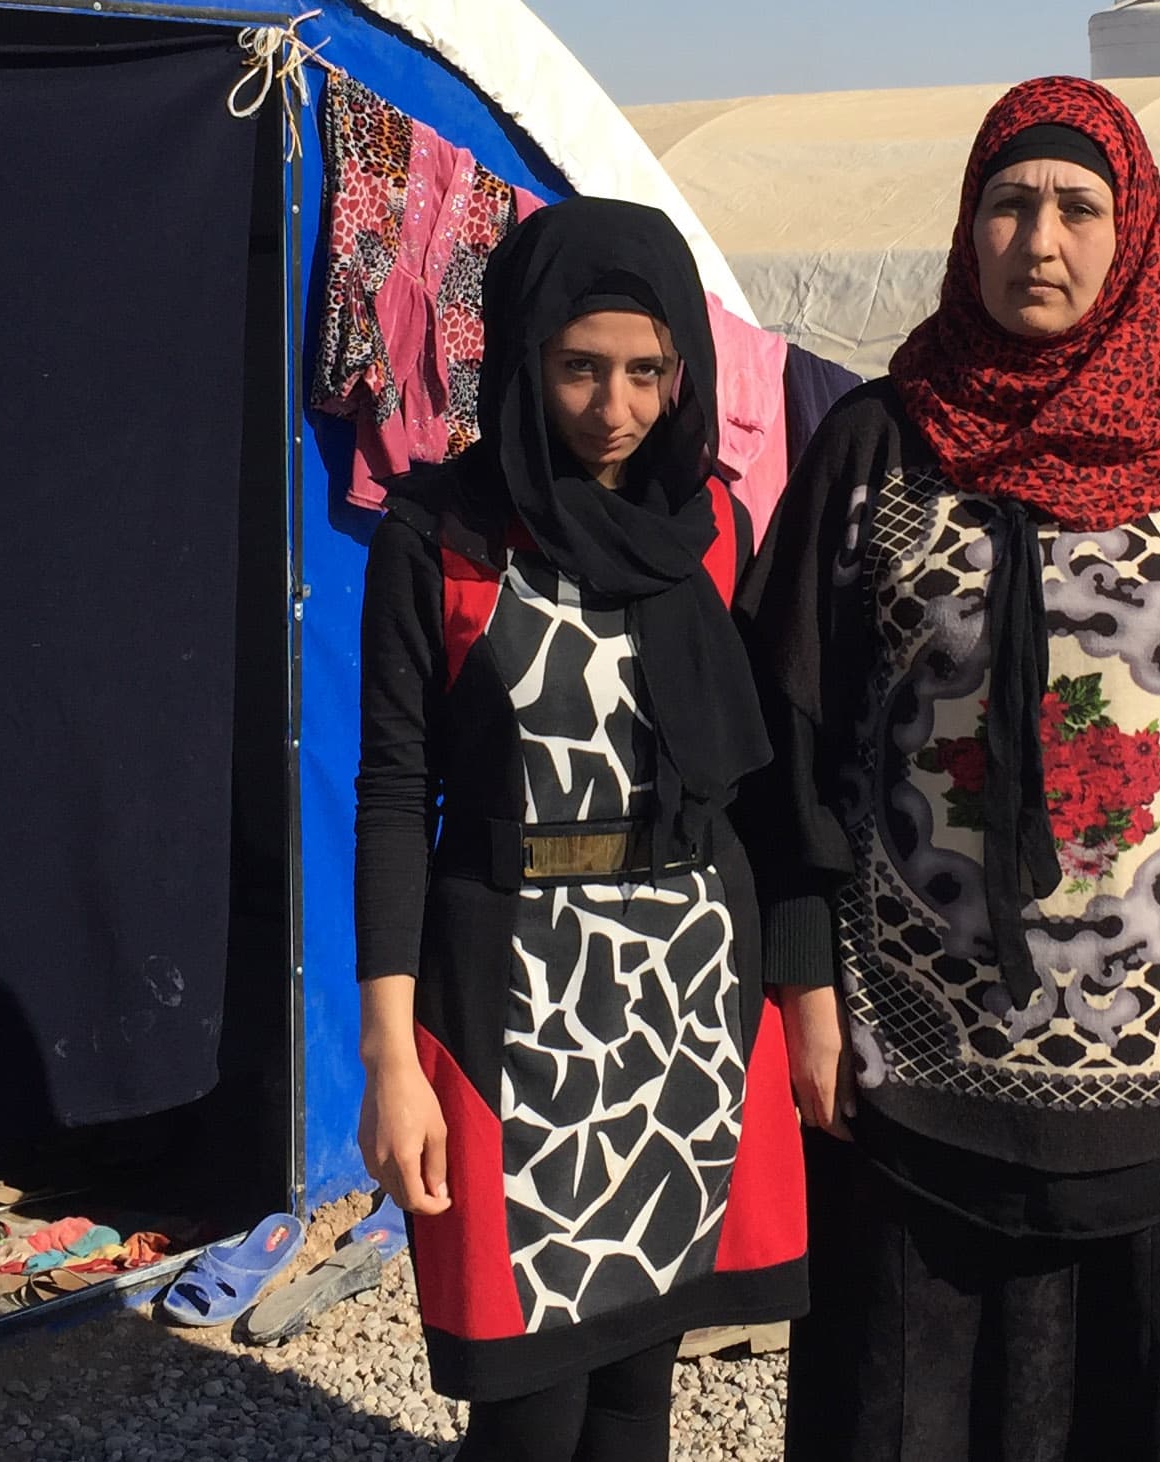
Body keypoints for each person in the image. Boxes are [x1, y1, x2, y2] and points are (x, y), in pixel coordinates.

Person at [741, 77, 1160, 1461]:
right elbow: (786, 751)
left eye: (1079, 207)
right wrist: (803, 991)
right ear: (966, 230)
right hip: (918, 1054)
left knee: (1150, 1395)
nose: (1042, 237)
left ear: (1131, 229)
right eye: (1009, 204)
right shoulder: (873, 447)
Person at [351, 199, 806, 1462]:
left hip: (691, 995)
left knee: (638, 1383)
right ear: (521, 358)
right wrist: (389, 1057)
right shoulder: (441, 536)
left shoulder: (711, 530)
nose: (616, 406)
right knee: (527, 1397)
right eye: (579, 368)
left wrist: (796, 996)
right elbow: (394, 792)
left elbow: (762, 785)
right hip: (516, 1002)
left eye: (648, 371)